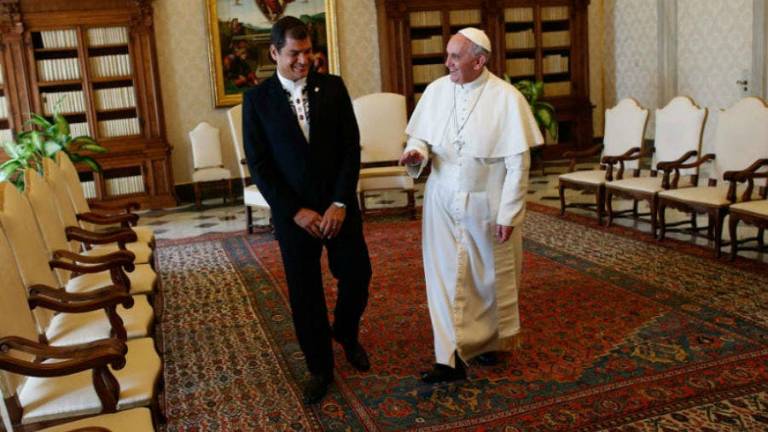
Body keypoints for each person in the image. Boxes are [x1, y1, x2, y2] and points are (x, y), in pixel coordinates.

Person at [399, 27, 542, 383]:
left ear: (478, 61)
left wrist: (509, 213)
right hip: (441, 200)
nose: (447, 63)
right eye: (447, 55)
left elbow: (518, 164)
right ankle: (447, 358)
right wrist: (417, 152)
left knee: (487, 279)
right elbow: (421, 137)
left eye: (455, 57)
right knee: (442, 277)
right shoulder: (436, 91)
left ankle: (488, 342)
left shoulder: (507, 98)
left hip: (486, 201)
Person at [243, 16, 372, 404]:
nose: (303, 60)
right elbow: (260, 165)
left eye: (308, 52)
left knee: (357, 274)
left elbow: (350, 148)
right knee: (305, 292)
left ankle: (345, 332)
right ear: (274, 52)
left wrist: (340, 202)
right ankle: (320, 367)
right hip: (294, 214)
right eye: (294, 53)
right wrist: (295, 211)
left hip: (338, 207)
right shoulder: (257, 100)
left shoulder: (332, 87)